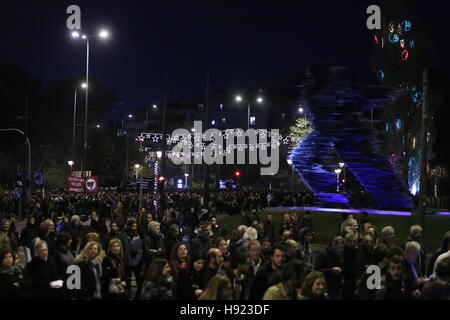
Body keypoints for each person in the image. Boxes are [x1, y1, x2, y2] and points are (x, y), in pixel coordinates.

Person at [314, 236, 345, 300]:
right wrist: (331, 271)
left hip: (336, 287)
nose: (341, 250)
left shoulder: (340, 255)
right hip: (326, 287)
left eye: (342, 248)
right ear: (333, 245)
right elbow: (317, 270)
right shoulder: (323, 254)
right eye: (339, 247)